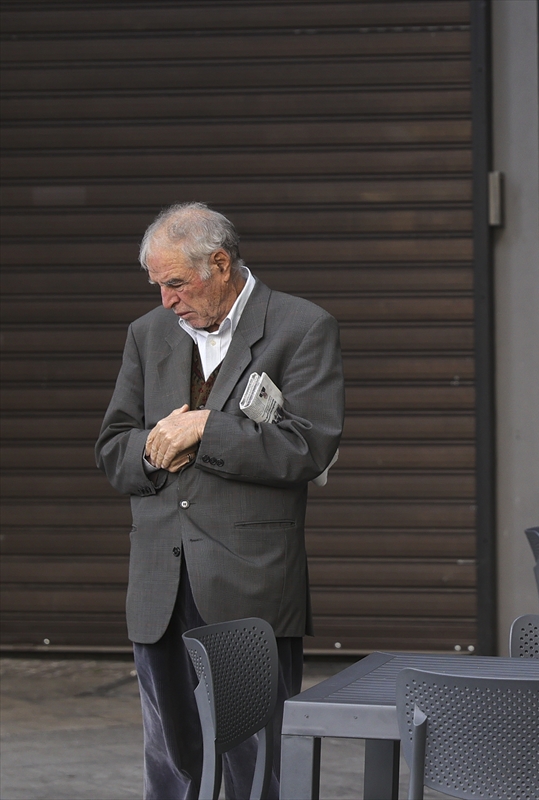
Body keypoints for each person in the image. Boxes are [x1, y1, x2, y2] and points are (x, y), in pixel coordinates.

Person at [95, 202, 344, 799]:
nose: (166, 301)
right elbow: (113, 448)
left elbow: (309, 447)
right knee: (172, 761)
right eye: (156, 285)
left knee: (256, 763)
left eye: (176, 283)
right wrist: (156, 451)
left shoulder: (302, 326)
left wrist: (206, 428)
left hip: (250, 582)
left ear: (221, 264)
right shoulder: (148, 334)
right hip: (160, 585)